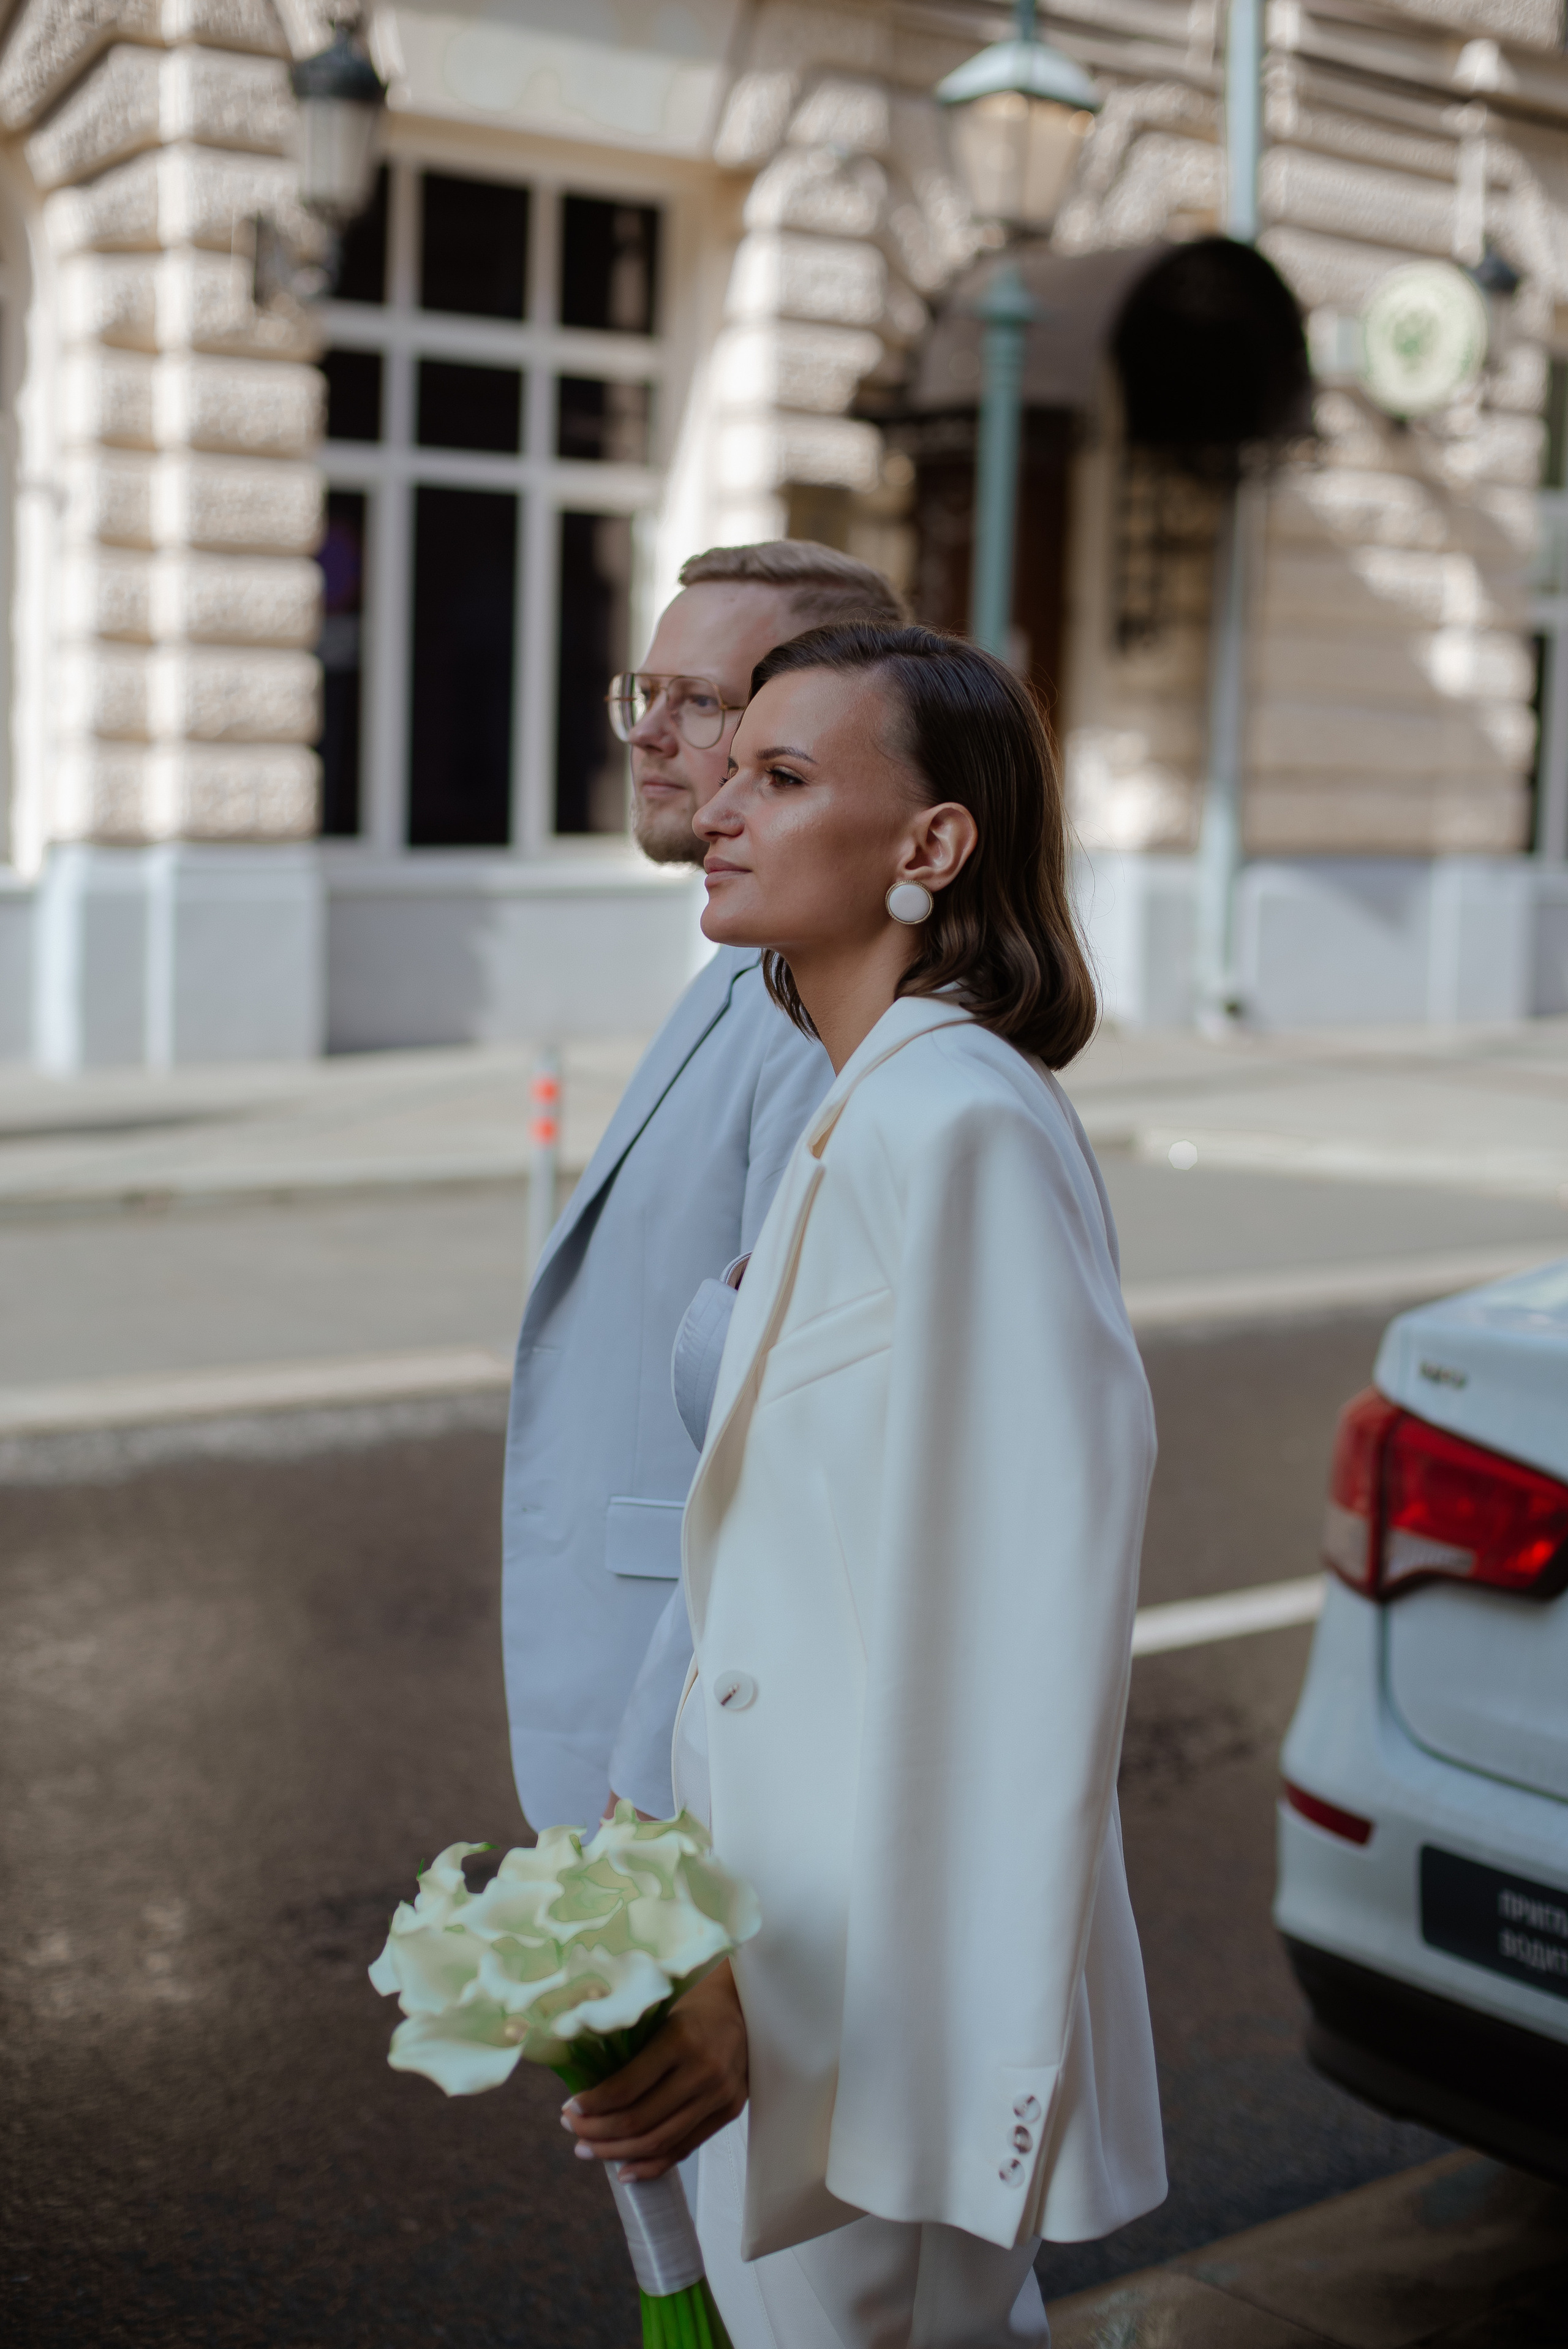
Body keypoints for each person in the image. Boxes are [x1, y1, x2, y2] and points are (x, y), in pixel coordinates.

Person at [560, 625, 1167, 2348]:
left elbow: (1018, 1638)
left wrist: (772, 1990)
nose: (719, 806)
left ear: (931, 847)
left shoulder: (953, 1124)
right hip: (789, 1953)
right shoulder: (864, 1103)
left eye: (783, 775)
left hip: (856, 1994)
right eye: (730, 766)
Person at [502, 542, 904, 1836]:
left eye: (703, 705)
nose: (650, 736)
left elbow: (791, 1461)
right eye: (644, 693)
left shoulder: (821, 1016)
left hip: (699, 1744)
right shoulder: (746, 963)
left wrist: (655, 1797)